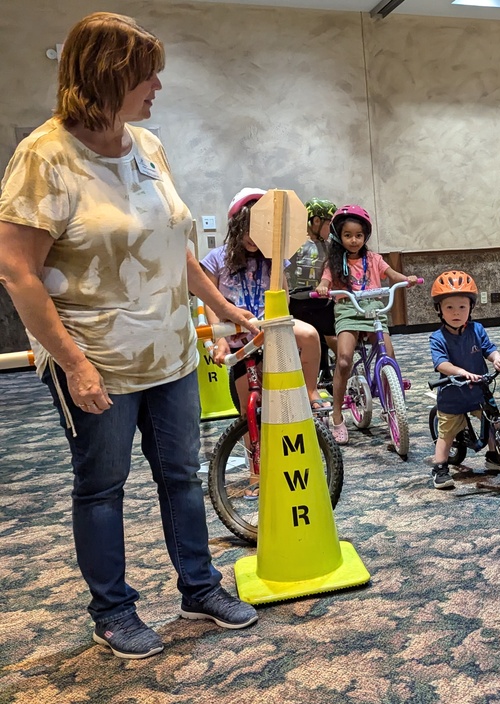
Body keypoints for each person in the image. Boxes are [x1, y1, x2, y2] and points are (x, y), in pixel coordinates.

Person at [0, 12, 259, 660]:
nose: (158, 88)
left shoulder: (147, 147)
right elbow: (17, 269)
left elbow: (178, 249)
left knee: (181, 473)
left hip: (169, 354)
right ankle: (112, 610)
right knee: (102, 484)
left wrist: (226, 310)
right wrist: (72, 364)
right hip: (97, 362)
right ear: (109, 75)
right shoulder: (45, 157)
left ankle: (199, 585)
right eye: (149, 75)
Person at [200, 188, 330, 413]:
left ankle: (311, 390)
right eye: (246, 228)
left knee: (309, 335)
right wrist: (218, 336)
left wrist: (276, 259)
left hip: (269, 325)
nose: (252, 236)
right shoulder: (217, 258)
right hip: (235, 330)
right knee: (247, 407)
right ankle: (253, 446)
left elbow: (284, 296)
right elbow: (209, 299)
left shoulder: (273, 259)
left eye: (259, 229)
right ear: (235, 226)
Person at [316, 204, 418, 445]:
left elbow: (392, 274)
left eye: (359, 235)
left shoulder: (373, 259)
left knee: (388, 355)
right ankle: (338, 415)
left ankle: (390, 399)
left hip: (374, 308)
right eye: (348, 235)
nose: (354, 240)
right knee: (343, 359)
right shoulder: (334, 262)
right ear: (339, 236)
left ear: (366, 236)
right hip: (348, 309)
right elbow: (325, 280)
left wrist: (406, 280)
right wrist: (322, 287)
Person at [428, 270, 500, 489]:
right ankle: (440, 467)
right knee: (447, 432)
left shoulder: (476, 329)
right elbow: (441, 363)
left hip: (479, 390)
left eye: (462, 307)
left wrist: (496, 358)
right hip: (453, 394)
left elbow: (488, 349)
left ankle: (493, 457)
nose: (456, 312)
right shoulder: (437, 337)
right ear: (439, 310)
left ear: (470, 308)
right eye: (449, 307)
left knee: (493, 422)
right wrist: (460, 371)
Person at [288, 198, 338, 387]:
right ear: (316, 221)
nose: (331, 231)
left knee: (332, 335)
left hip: (321, 299)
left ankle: (342, 368)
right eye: (329, 225)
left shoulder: (329, 245)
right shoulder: (296, 243)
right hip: (297, 298)